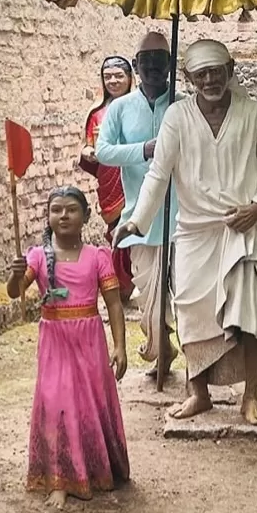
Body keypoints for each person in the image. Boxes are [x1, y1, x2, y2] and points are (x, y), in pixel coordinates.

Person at [116, 39, 257, 425]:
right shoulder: (177, 117)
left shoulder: (254, 113)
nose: (210, 80)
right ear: (189, 77)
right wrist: (136, 221)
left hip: (243, 230)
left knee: (250, 314)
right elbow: (158, 174)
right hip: (193, 231)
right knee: (192, 311)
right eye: (201, 74)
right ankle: (199, 393)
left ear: (231, 68)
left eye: (216, 71)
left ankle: (251, 397)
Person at [6, 186, 129, 510]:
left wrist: (120, 346)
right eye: (56, 209)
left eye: (71, 209)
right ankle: (59, 479)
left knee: (88, 405)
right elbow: (15, 292)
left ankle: (96, 469)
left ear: (85, 216)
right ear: (48, 216)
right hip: (54, 341)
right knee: (57, 404)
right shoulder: (36, 256)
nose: (63, 215)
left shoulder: (98, 257)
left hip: (89, 340)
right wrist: (15, 276)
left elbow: (114, 305)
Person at [96, 32, 179, 378]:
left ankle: (185, 359)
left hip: (181, 216)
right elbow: (103, 151)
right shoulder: (120, 108)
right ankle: (162, 349)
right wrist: (143, 149)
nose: (153, 70)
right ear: (136, 66)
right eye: (147, 64)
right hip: (139, 220)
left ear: (170, 66)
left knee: (183, 293)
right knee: (148, 293)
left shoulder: (182, 104)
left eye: (160, 64)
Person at [80, 56, 135, 300]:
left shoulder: (138, 108)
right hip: (109, 180)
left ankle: (134, 281)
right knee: (114, 231)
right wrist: (89, 152)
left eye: (118, 76)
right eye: (108, 77)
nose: (113, 81)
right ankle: (120, 286)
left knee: (133, 229)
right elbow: (86, 145)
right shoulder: (96, 114)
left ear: (130, 78)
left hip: (133, 177)